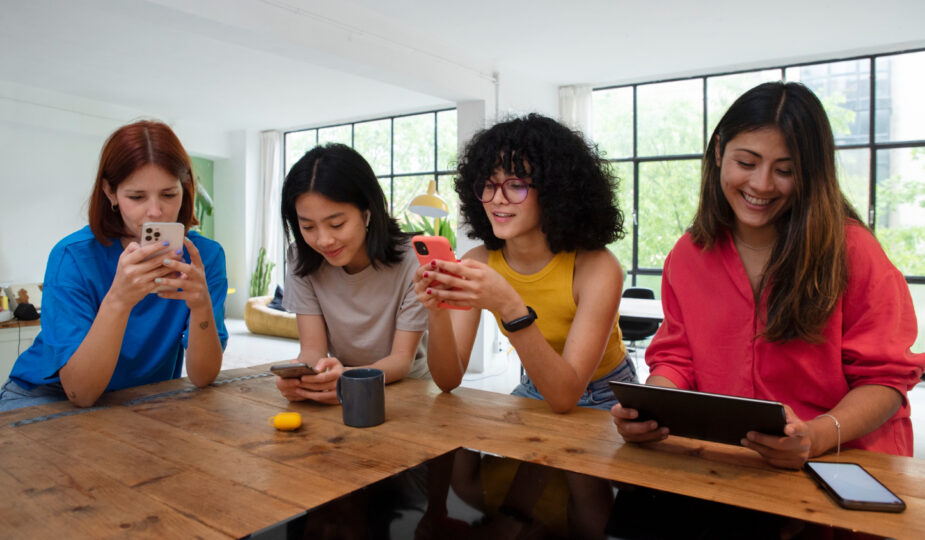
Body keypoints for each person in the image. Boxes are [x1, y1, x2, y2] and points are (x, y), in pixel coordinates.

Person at [611, 82, 925, 468]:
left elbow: (886, 379)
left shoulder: (853, 250)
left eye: (786, 170)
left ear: (812, 173)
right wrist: (649, 408)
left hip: (849, 463)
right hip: (737, 464)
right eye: (746, 163)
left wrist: (818, 435)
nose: (761, 185)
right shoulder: (689, 253)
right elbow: (677, 359)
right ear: (719, 152)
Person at [412, 113, 637, 413]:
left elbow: (565, 396)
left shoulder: (597, 268)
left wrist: (509, 306)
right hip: (536, 383)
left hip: (608, 395)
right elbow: (448, 380)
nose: (497, 199)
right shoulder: (479, 261)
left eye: (516, 185)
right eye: (488, 185)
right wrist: (437, 310)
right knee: (469, 459)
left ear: (556, 192)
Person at [0, 120, 228, 411]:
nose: (156, 211)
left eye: (169, 194)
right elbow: (80, 394)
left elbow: (203, 377)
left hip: (140, 398)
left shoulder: (204, 257)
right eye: (136, 197)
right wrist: (118, 300)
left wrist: (201, 306)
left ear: (185, 190)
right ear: (110, 193)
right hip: (49, 395)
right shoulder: (73, 257)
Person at [275, 143, 429, 405]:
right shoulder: (301, 258)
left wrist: (347, 379)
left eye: (337, 224)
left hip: (406, 389)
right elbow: (313, 349)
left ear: (367, 213)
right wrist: (303, 378)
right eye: (308, 226)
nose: (324, 240)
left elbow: (401, 360)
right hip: (339, 386)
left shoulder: (412, 261)